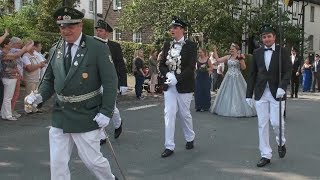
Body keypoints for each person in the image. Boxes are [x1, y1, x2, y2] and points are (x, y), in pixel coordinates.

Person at [24, 7, 118, 180]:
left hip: (86, 113)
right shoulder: (55, 50)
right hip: (61, 113)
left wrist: (106, 112)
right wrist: (39, 97)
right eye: (62, 27)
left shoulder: (97, 47)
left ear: (80, 25)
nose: (66, 31)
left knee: (93, 161)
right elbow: (49, 81)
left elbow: (111, 82)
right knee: (58, 163)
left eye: (70, 26)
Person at [246, 24, 292, 167]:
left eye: (269, 36)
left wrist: (282, 87)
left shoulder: (283, 52)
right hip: (261, 92)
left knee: (276, 122)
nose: (266, 39)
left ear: (274, 37)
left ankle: (281, 141)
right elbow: (252, 74)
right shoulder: (257, 52)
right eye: (264, 37)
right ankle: (265, 154)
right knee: (262, 124)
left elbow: (288, 71)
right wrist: (249, 94)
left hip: (277, 92)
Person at [159, 17, 197, 158]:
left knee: (184, 113)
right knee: (169, 113)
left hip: (184, 85)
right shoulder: (167, 44)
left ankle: (190, 137)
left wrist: (177, 78)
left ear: (182, 29)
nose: (172, 30)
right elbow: (161, 64)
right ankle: (169, 145)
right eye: (172, 27)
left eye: (175, 27)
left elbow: (190, 66)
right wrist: (168, 74)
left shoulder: (191, 46)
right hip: (169, 85)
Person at [95, 19, 127, 143]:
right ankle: (102, 135)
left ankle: (118, 123)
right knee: (97, 107)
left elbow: (120, 65)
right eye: (97, 30)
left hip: (110, 82)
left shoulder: (114, 46)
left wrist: (123, 83)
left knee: (110, 107)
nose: (98, 33)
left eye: (101, 31)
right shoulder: (91, 45)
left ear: (107, 33)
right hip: (95, 82)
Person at [210, 43, 256, 117]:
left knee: (240, 92)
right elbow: (218, 60)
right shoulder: (228, 57)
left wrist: (241, 59)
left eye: (232, 49)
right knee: (227, 92)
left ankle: (240, 109)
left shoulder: (239, 57)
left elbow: (244, 68)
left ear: (236, 50)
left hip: (237, 76)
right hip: (228, 76)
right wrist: (215, 50)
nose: (231, 50)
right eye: (230, 49)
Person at [1, 38, 33, 121]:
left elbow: (15, 62)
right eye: (9, 43)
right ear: (5, 45)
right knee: (8, 97)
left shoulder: (8, 52)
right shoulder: (3, 53)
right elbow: (17, 55)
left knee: (7, 97)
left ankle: (4, 113)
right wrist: (25, 47)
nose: (11, 44)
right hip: (8, 77)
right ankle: (8, 115)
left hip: (12, 76)